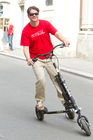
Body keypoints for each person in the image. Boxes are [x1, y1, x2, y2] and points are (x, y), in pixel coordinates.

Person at [20, 6, 70, 110]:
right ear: (28, 16)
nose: (34, 16)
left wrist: (64, 40)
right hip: (36, 60)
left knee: (58, 80)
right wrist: (28, 58)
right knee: (41, 80)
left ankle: (65, 102)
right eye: (32, 14)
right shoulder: (26, 30)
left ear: (38, 14)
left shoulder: (45, 24)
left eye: (36, 13)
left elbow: (56, 33)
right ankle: (40, 102)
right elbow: (25, 47)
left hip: (49, 57)